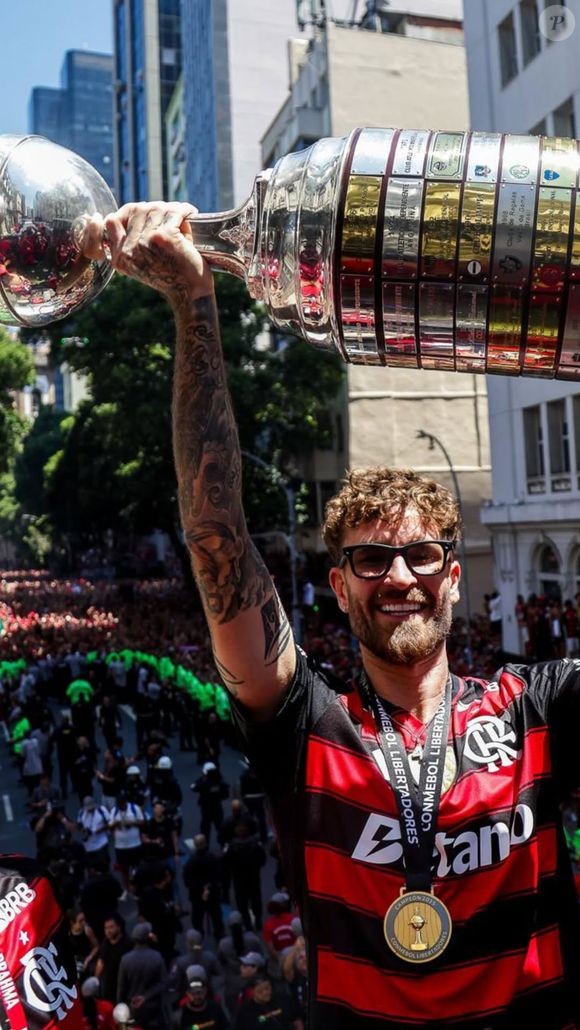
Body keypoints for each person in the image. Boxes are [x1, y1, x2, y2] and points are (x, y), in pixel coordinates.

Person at [84, 202, 580, 1028]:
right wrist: (195, 306)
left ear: (454, 579)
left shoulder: (538, 710)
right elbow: (216, 534)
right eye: (369, 560)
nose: (399, 576)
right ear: (339, 587)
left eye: (422, 556)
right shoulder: (305, 726)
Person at [117, 922, 167, 1029]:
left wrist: (120, 1005)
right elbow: (164, 983)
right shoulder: (157, 956)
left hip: (134, 1007)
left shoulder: (125, 960)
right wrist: (146, 996)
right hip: (153, 1006)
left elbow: (121, 987)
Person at [95, 914, 131, 1005]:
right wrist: (96, 979)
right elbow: (101, 962)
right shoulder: (105, 943)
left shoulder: (127, 944)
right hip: (109, 985)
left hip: (124, 983)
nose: (108, 931)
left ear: (119, 927)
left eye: (111, 927)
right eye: (106, 928)